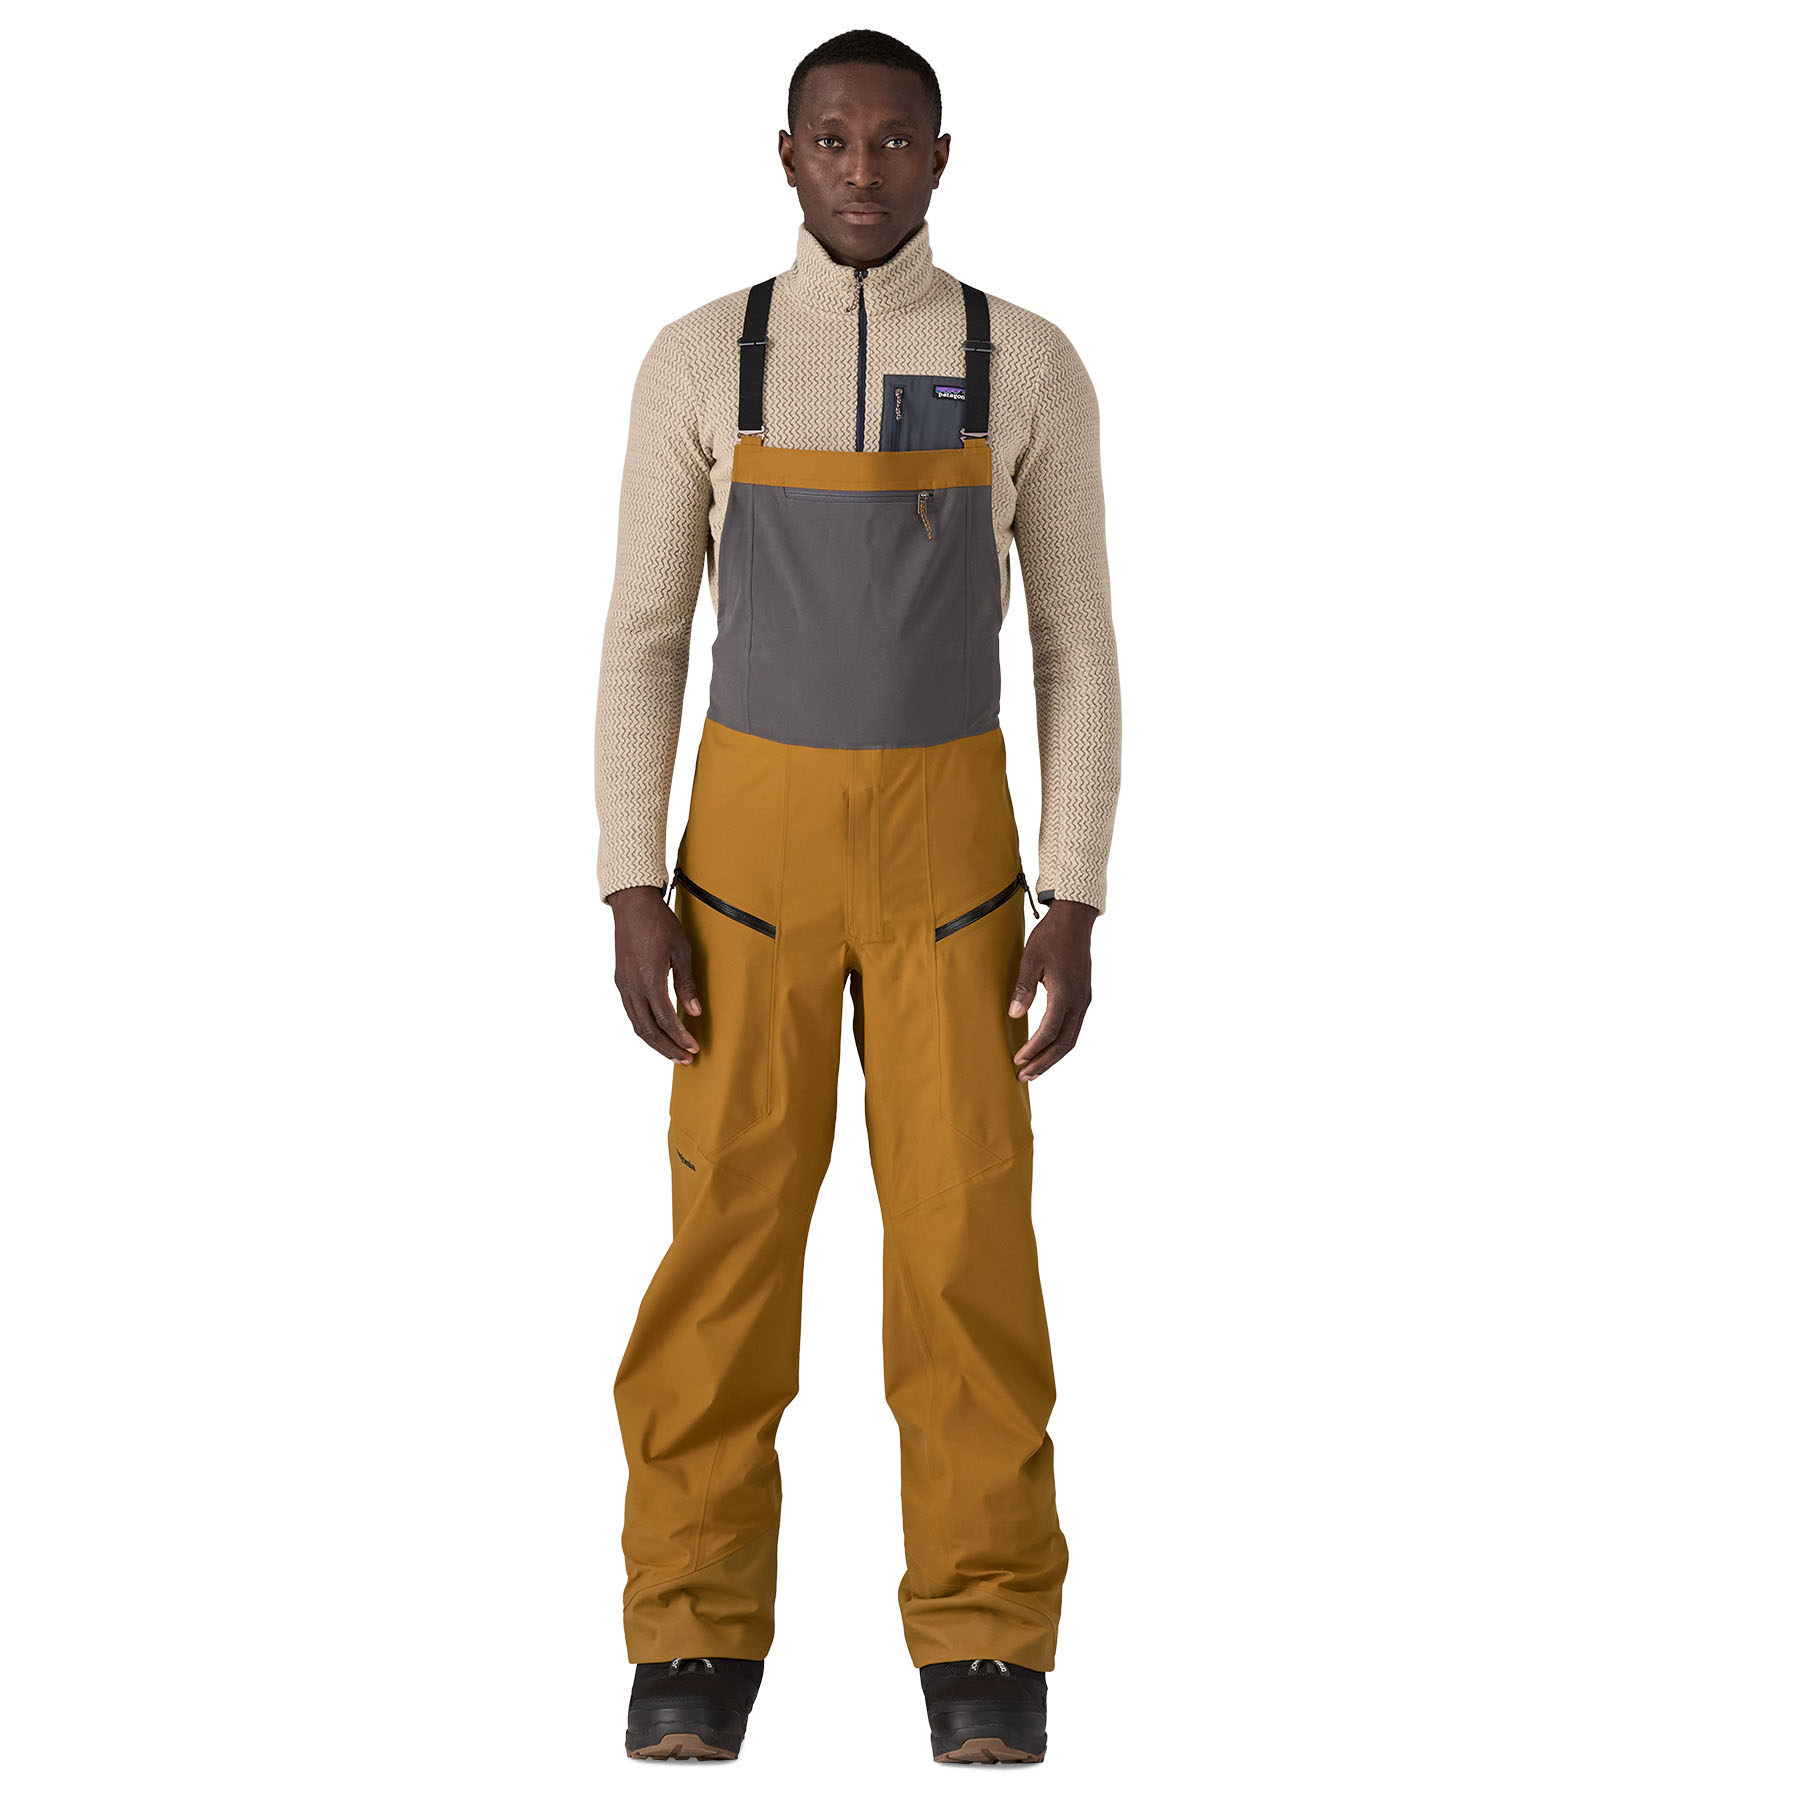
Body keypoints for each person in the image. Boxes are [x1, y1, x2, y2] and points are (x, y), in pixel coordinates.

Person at [594, 28, 1121, 1764]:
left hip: (956, 884)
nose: (865, 169)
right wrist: (629, 881)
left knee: (966, 1249)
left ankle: (988, 1641)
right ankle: (690, 1633)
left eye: (896, 141)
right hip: (742, 884)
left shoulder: (1025, 363)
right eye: (834, 139)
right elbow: (647, 633)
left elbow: (1076, 643)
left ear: (942, 158)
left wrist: (1073, 892)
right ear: (787, 155)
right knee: (726, 1248)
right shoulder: (701, 357)